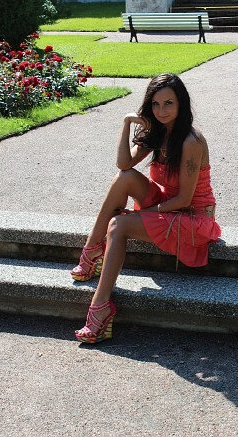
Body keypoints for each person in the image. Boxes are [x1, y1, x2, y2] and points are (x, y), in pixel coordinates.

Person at [71, 73, 221, 344]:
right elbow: (124, 164)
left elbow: (185, 200)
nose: (161, 111)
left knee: (118, 224)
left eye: (168, 104)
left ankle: (101, 308)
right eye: (155, 104)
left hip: (192, 217)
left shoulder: (190, 141)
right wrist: (126, 123)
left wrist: (140, 215)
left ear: (181, 105)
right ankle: (92, 250)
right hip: (167, 204)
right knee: (124, 178)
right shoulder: (159, 131)